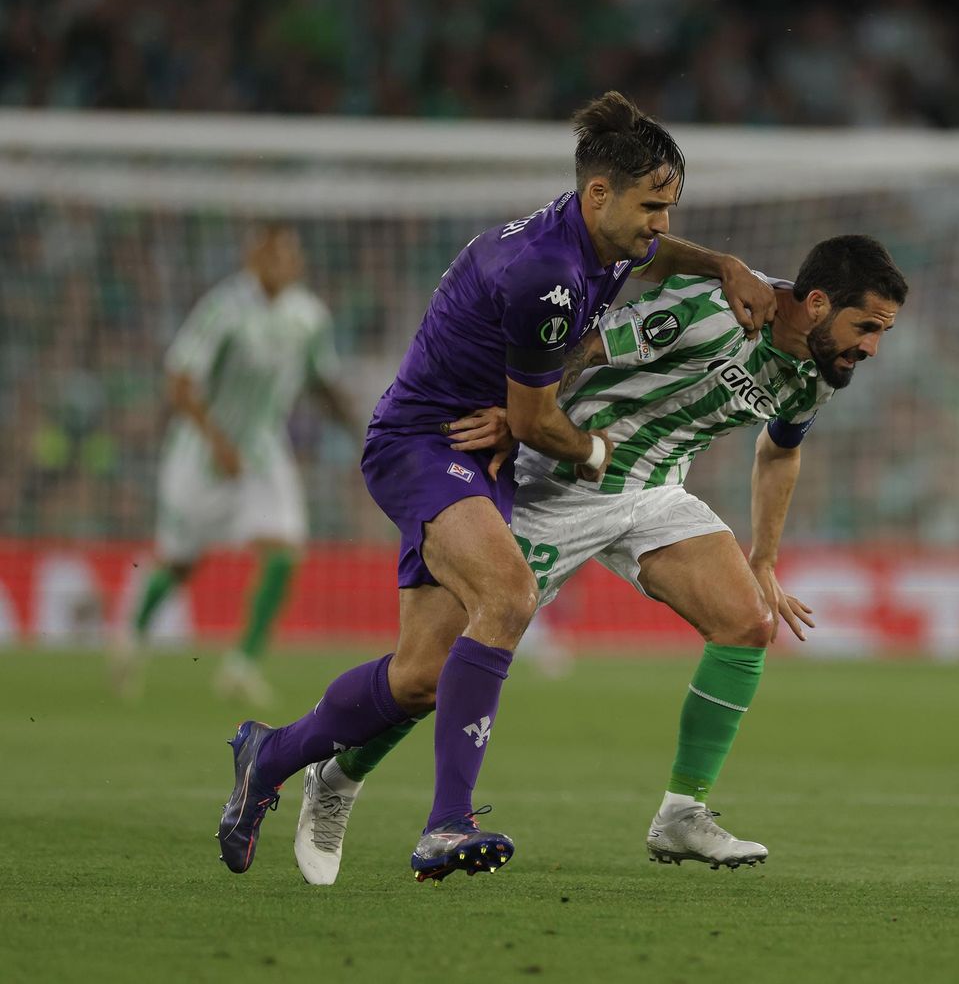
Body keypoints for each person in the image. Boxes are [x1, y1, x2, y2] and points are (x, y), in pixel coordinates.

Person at [215, 91, 776, 882]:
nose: (661, 221)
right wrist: (594, 451)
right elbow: (538, 420)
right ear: (598, 195)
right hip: (425, 443)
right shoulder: (546, 276)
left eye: (670, 207)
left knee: (418, 677)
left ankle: (269, 755)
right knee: (509, 597)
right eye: (654, 206)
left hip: (478, 460)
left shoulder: (600, 236)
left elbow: (650, 256)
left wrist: (722, 264)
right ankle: (448, 822)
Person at [291, 233, 907, 883]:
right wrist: (518, 412)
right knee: (429, 671)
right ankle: (336, 776)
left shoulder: (817, 371)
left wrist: (765, 558)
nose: (870, 347)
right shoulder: (714, 311)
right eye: (865, 327)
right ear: (815, 303)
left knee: (747, 621)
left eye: (880, 333)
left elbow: (780, 449)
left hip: (652, 492)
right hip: (556, 484)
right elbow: (583, 345)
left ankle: (680, 813)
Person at [112, 224, 359, 705]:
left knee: (285, 551)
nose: (284, 264)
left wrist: (362, 428)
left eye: (291, 255)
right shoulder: (223, 309)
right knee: (182, 563)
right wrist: (216, 441)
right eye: (274, 255)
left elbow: (320, 381)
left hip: (263, 448)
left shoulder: (308, 316)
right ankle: (131, 637)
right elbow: (180, 381)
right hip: (202, 450)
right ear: (253, 258)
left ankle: (241, 664)